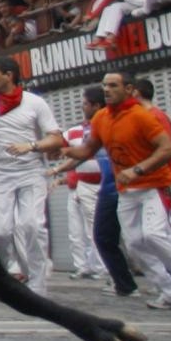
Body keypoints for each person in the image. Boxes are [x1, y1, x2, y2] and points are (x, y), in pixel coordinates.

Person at [60, 72, 171, 310]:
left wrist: (138, 170)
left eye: (113, 85)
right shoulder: (102, 118)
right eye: (105, 85)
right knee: (135, 243)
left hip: (154, 186)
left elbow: (167, 149)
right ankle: (170, 292)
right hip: (126, 190)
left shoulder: (142, 116)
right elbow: (87, 150)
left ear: (129, 89)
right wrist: (61, 150)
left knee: (154, 235)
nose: (107, 90)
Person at [0, 57, 64, 296]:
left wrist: (32, 145)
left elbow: (56, 138)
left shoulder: (34, 103)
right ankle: (1, 274)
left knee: (31, 225)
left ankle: (37, 284)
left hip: (30, 172)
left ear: (9, 75)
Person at [47, 88, 107, 281]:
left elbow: (84, 154)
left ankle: (101, 267)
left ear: (96, 106)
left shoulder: (106, 127)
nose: (82, 107)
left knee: (94, 229)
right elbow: (57, 147)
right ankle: (82, 266)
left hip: (102, 184)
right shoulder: (73, 131)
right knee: (76, 231)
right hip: (79, 186)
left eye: (85, 104)